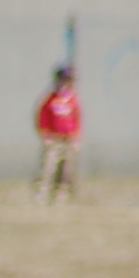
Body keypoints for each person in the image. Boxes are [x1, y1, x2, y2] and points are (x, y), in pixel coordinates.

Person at [34, 66, 81, 202]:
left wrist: (76, 137)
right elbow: (42, 117)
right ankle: (41, 193)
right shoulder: (50, 98)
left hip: (68, 139)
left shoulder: (72, 99)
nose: (66, 83)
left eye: (69, 80)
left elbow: (77, 118)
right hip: (54, 139)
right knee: (48, 168)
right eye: (64, 80)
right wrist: (44, 134)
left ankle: (62, 195)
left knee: (66, 170)